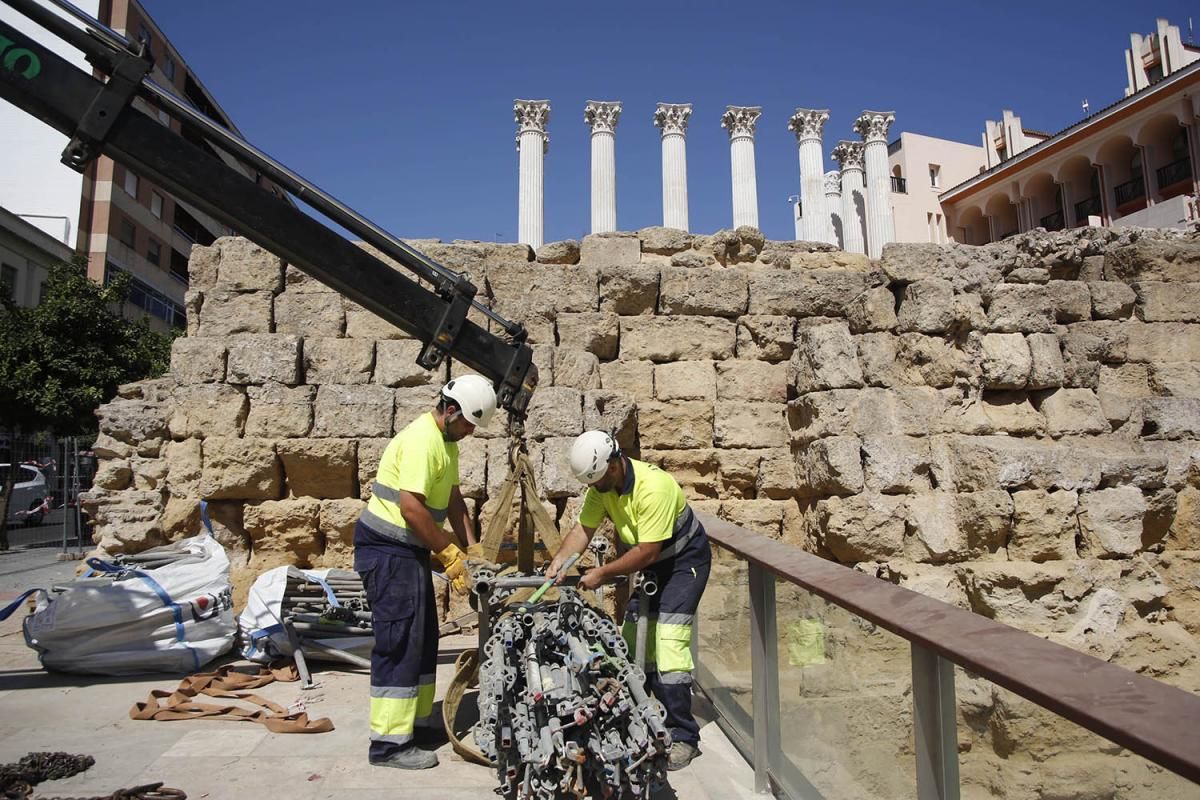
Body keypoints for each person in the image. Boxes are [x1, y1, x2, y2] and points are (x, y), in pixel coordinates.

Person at [353, 374, 497, 770]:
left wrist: (474, 549)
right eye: (468, 423)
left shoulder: (446, 444)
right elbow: (412, 509)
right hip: (386, 549)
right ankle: (388, 744)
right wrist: (450, 554)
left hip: (408, 550)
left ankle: (416, 725)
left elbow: (453, 500)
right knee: (399, 640)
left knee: (423, 637)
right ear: (450, 411)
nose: (470, 432)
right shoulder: (422, 441)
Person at [547, 430, 712, 771]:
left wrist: (601, 574)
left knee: (669, 642)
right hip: (652, 562)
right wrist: (560, 561)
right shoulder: (602, 487)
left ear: (613, 464)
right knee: (634, 639)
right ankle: (649, 714)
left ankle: (684, 736)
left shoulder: (653, 488)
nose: (594, 488)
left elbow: (647, 552)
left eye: (597, 480)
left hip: (683, 563)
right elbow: (582, 531)